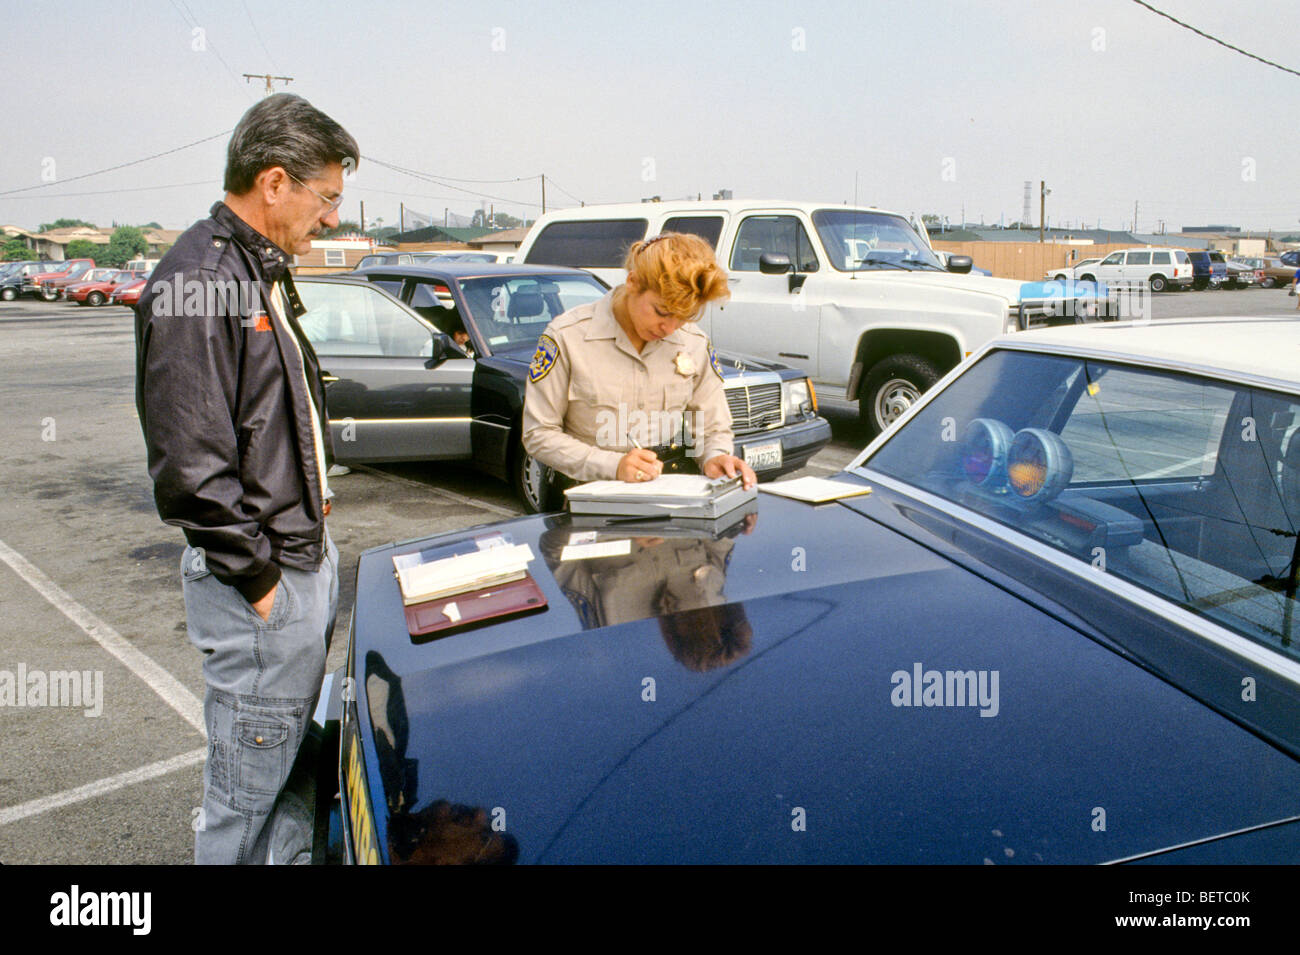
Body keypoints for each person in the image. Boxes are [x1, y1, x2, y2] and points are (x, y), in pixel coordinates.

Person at [135, 93, 358, 864]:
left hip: (295, 561)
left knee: (287, 767)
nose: (330, 217)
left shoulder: (255, 268)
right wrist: (259, 579)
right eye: (325, 197)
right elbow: (190, 463)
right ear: (273, 182)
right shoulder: (198, 278)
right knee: (242, 795)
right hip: (261, 584)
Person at [521, 233, 756, 502]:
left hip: (670, 493)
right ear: (632, 281)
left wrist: (715, 457)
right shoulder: (567, 337)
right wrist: (613, 465)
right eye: (662, 312)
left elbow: (711, 427)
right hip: (582, 495)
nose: (670, 329)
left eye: (684, 318)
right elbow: (538, 434)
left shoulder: (693, 342)